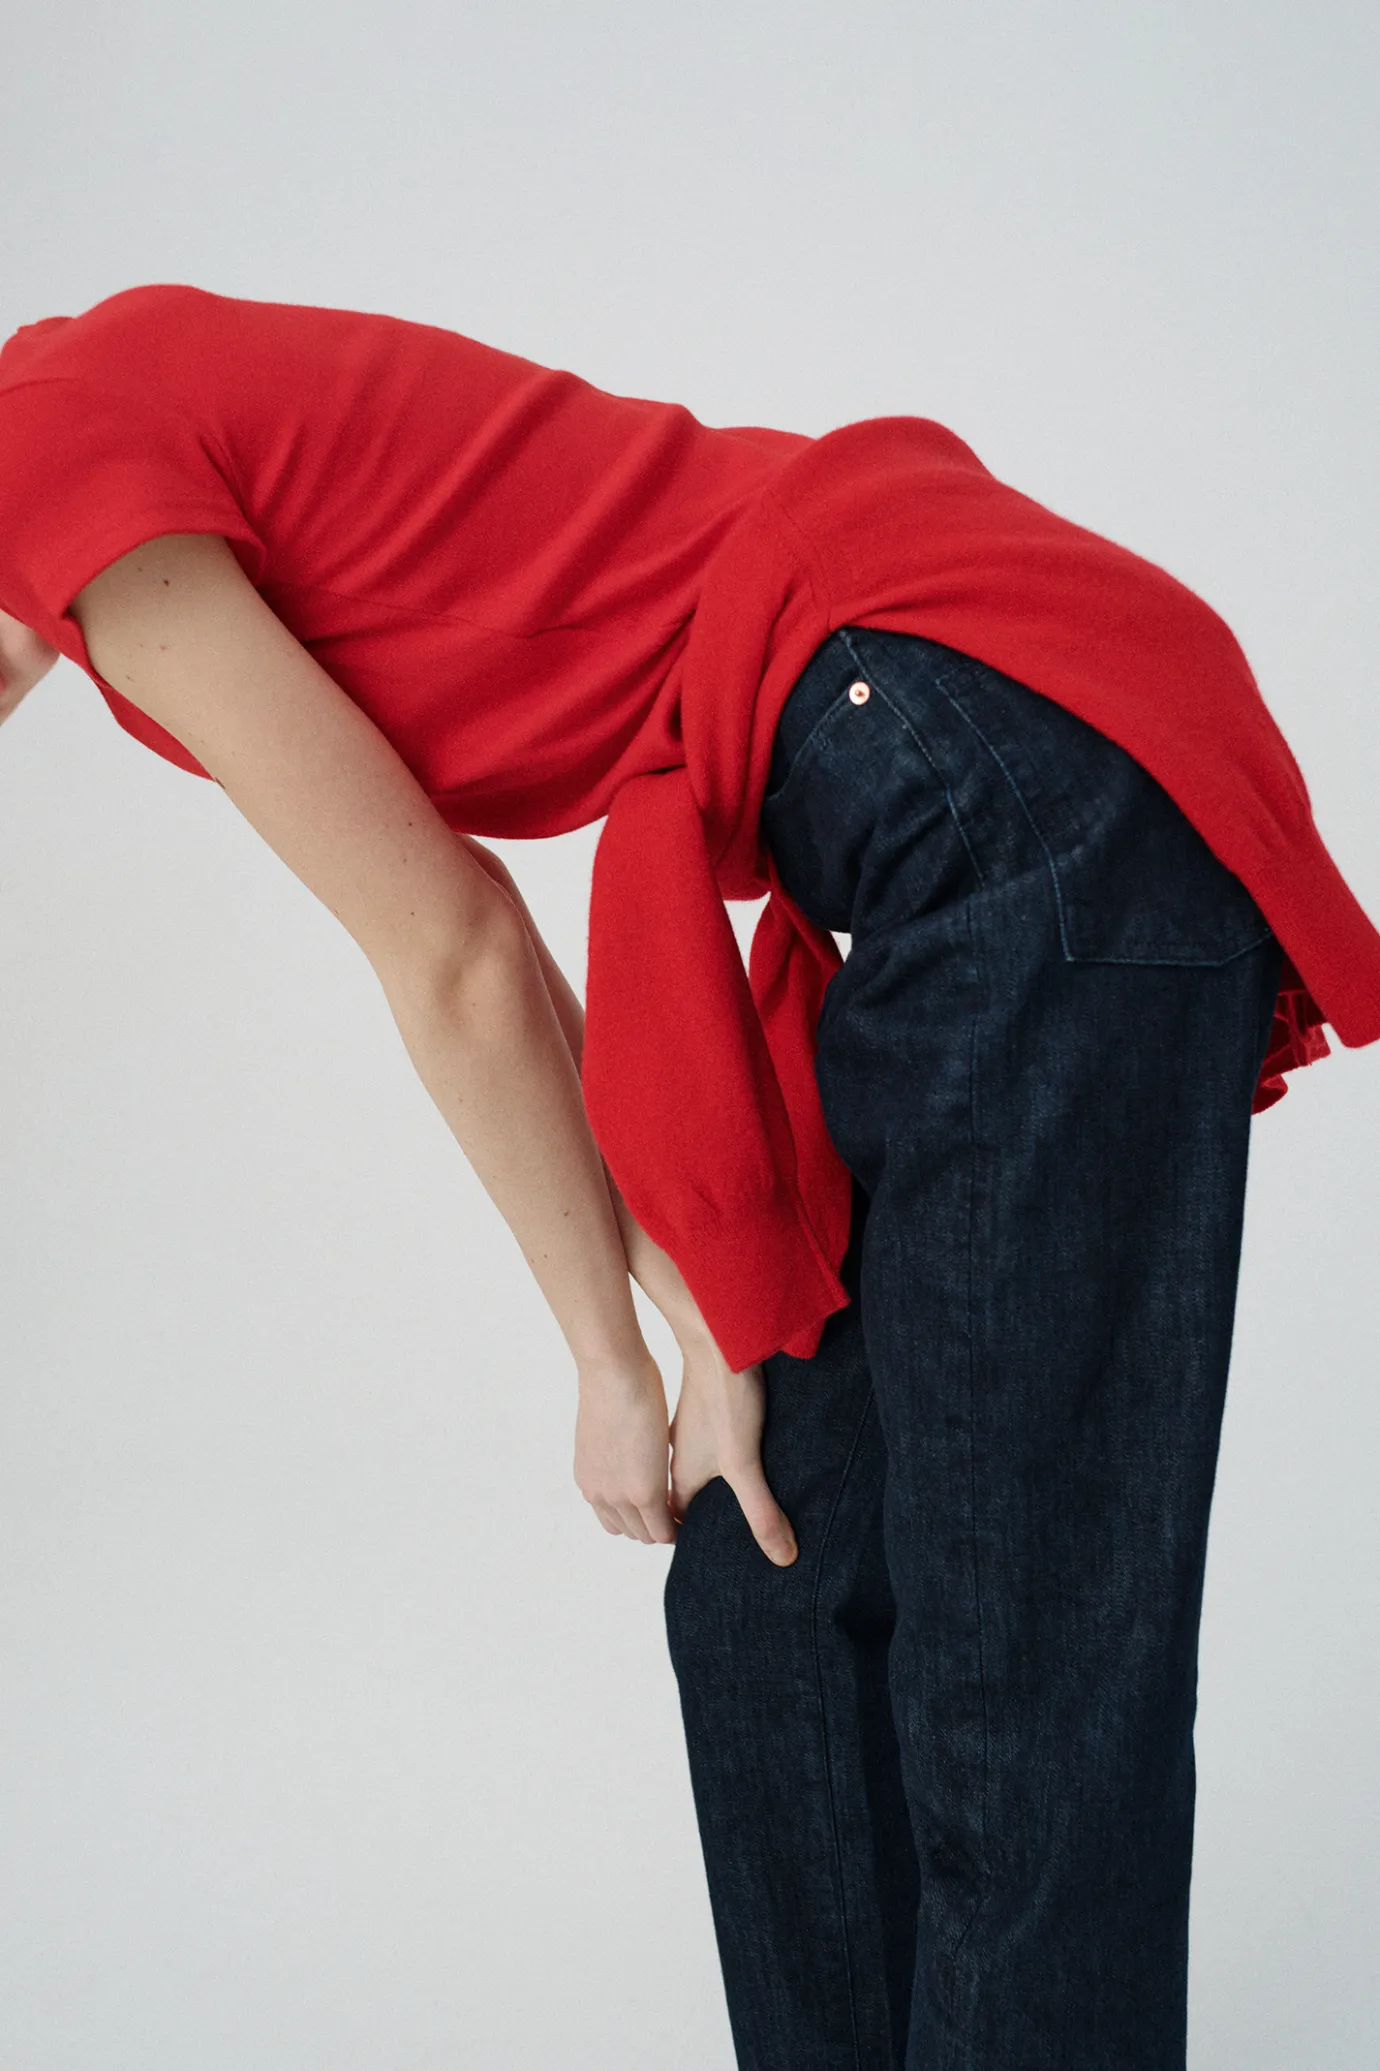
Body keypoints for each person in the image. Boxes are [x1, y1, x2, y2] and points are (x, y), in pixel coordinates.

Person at [1, 283, 1376, 2068]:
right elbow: (485, 944)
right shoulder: (75, 434)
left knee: (1008, 1664)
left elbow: (455, 954)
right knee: (771, 1592)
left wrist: (610, 1355)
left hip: (1001, 755)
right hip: (947, 763)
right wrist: (699, 1316)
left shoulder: (40, 445)